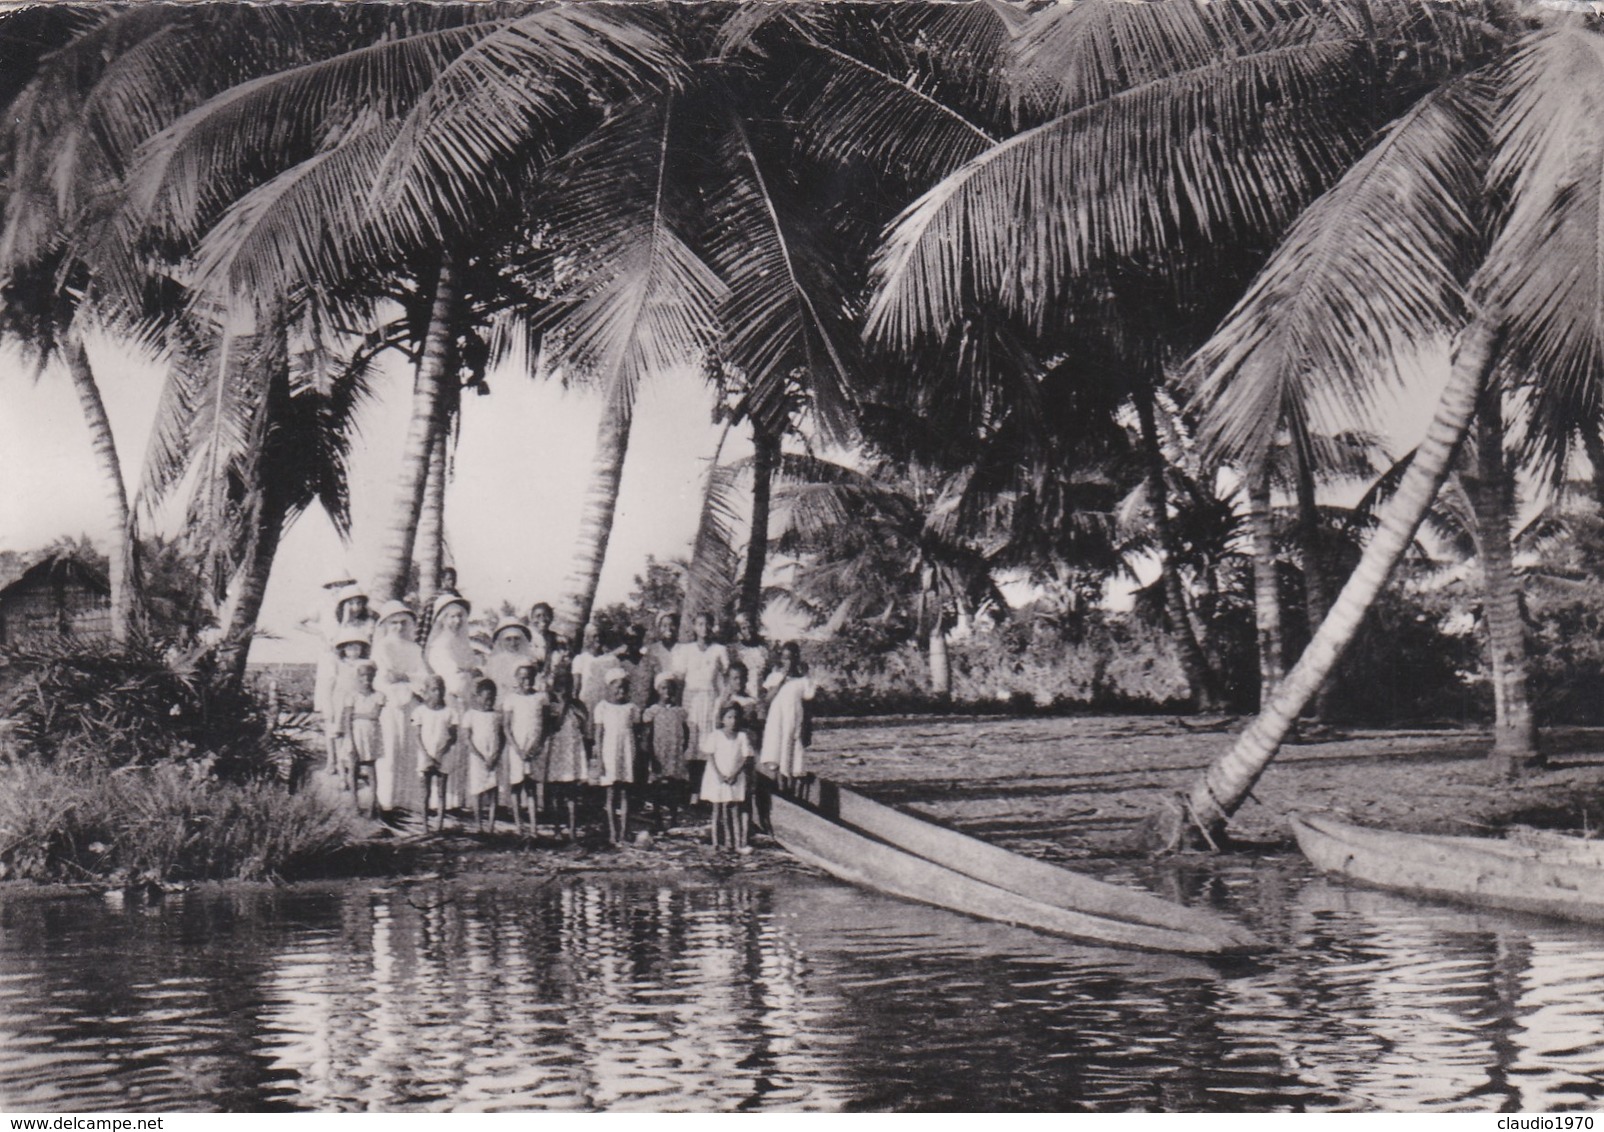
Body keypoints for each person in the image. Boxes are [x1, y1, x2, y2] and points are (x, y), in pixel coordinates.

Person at [372, 600, 429, 815]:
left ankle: (408, 801)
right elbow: (388, 676)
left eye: (403, 622)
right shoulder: (382, 647)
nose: (398, 627)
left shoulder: (414, 648)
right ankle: (388, 801)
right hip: (391, 703)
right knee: (391, 750)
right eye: (393, 622)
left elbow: (423, 676)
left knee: (411, 751)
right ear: (386, 624)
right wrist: (409, 679)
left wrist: (406, 677)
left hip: (412, 702)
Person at [313, 584, 375, 776]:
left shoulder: (368, 622)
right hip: (339, 670)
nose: (355, 607)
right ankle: (333, 761)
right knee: (334, 719)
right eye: (351, 604)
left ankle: (357, 763)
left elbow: (369, 645)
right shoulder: (338, 623)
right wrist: (345, 620)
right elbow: (336, 648)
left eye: (358, 603)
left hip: (359, 670)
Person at [424, 594, 477, 809]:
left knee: (464, 746)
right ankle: (443, 800)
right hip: (449, 700)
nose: (456, 621)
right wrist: (466, 674)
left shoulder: (463, 642)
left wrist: (468, 673)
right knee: (446, 745)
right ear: (443, 620)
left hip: (465, 700)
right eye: (452, 617)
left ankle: (460, 798)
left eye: (459, 617)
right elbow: (451, 675)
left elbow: (470, 670)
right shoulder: (440, 644)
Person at [674, 612, 728, 802]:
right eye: (700, 624)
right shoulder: (685, 650)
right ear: (694, 627)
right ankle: (692, 790)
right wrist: (678, 705)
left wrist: (723, 703)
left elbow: (726, 678)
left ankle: (706, 791)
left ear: (712, 627)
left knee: (708, 744)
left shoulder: (719, 650)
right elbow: (679, 680)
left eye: (707, 624)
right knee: (691, 743)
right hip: (690, 700)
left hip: (710, 700)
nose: (704, 628)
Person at [590, 669, 639, 844]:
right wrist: (600, 760)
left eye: (624, 688)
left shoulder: (632, 708)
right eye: (617, 688)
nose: (621, 692)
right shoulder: (602, 707)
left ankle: (624, 832)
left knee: (625, 793)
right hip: (609, 753)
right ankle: (612, 832)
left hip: (626, 751)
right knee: (611, 794)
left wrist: (635, 757)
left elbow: (635, 733)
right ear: (609, 688)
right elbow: (598, 735)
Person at [761, 642, 816, 795]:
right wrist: (782, 679)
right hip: (777, 719)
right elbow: (768, 698)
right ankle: (779, 787)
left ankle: (791, 790)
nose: (788, 662)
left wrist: (807, 728)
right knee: (777, 750)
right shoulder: (775, 676)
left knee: (791, 752)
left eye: (792, 658)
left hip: (793, 719)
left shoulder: (802, 681)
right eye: (785, 658)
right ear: (781, 659)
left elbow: (808, 701)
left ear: (797, 659)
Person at [539, 670, 589, 842]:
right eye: (560, 685)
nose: (563, 689)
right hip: (558, 751)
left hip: (573, 749)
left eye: (567, 685)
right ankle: (557, 828)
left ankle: (573, 828)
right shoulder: (550, 706)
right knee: (556, 792)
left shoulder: (579, 705)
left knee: (572, 792)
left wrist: (571, 705)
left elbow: (584, 725)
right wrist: (563, 705)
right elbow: (554, 726)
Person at [501, 662, 547, 837]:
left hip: (534, 749)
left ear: (534, 678)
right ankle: (519, 825)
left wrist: (537, 745)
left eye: (529, 677)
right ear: (516, 679)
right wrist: (517, 749)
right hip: (517, 748)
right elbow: (506, 726)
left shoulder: (541, 698)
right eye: (522, 677)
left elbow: (544, 725)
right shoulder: (510, 699)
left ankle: (534, 827)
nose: (526, 680)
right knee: (516, 785)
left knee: (531, 787)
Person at [701, 703, 752, 852]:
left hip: (735, 777)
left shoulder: (742, 736)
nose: (733, 721)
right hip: (717, 777)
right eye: (729, 717)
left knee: (734, 809)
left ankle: (735, 843)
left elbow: (745, 757)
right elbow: (710, 755)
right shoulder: (716, 735)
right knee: (717, 809)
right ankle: (716, 842)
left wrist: (735, 774)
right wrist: (719, 775)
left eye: (736, 717)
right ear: (722, 719)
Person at [642, 673, 690, 831]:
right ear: (658, 690)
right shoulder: (652, 711)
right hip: (658, 752)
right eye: (663, 688)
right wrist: (651, 755)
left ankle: (674, 817)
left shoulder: (679, 711)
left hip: (674, 753)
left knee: (674, 785)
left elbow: (686, 731)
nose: (667, 691)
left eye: (670, 688)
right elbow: (647, 735)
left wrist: (683, 748)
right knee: (657, 785)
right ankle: (657, 818)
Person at [338, 660, 386, 818]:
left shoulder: (379, 695)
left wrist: (355, 715)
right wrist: (350, 741)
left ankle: (373, 804)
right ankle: (354, 804)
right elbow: (346, 719)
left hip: (371, 735)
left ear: (374, 677)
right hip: (355, 735)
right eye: (363, 676)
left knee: (371, 769)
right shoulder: (351, 695)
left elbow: (375, 715)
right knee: (353, 768)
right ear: (358, 677)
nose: (366, 680)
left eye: (370, 676)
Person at [327, 627, 373, 787]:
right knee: (340, 739)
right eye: (349, 647)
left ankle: (359, 771)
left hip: (359, 704)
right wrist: (330, 709)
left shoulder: (366, 663)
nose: (353, 650)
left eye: (357, 646)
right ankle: (342, 776)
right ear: (343, 648)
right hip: (341, 703)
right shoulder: (337, 663)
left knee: (358, 737)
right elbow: (330, 686)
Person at [412, 675, 457, 834]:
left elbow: (453, 737)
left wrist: (440, 753)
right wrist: (427, 755)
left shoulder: (450, 712)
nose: (437, 693)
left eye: (440, 689)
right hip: (425, 756)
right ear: (427, 692)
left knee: (441, 791)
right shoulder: (419, 712)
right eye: (434, 689)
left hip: (442, 757)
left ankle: (439, 825)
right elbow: (417, 736)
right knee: (425, 792)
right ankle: (424, 826)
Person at [462, 678, 504, 834]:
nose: (489, 702)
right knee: (477, 791)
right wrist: (481, 757)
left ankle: (491, 827)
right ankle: (479, 826)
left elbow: (502, 738)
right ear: (478, 697)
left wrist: (495, 755)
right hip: (478, 759)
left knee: (493, 792)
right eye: (486, 698)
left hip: (493, 758)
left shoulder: (497, 716)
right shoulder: (470, 715)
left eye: (492, 699)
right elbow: (467, 739)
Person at [730, 612, 771, 699]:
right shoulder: (736, 651)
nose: (748, 631)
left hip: (760, 692)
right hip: (742, 694)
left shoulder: (763, 649)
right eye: (744, 628)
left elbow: (768, 672)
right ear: (739, 632)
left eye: (750, 627)